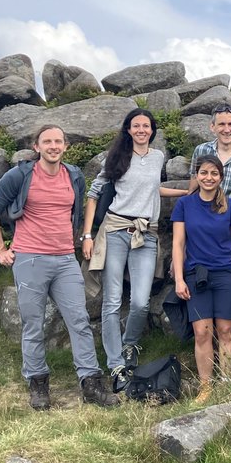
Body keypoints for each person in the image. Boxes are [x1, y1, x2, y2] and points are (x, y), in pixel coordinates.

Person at [0, 125, 119, 410]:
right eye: (47, 141)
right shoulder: (19, 175)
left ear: (65, 146)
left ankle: (91, 383)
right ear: (36, 146)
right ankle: (38, 384)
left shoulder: (74, 175)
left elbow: (76, 212)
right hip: (30, 259)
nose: (53, 146)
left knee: (79, 321)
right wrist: (0, 251)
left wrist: (81, 239)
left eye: (58, 141)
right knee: (33, 325)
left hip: (65, 259)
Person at [81, 108, 185, 391]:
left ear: (152, 130)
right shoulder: (116, 158)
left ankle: (130, 346)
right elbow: (93, 195)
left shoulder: (158, 157)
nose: (141, 130)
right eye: (136, 125)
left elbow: (152, 189)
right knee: (112, 301)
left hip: (146, 235)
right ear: (128, 129)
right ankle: (115, 364)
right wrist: (87, 235)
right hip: (116, 231)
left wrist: (186, 192)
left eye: (146, 126)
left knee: (140, 301)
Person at [172, 155, 231, 404]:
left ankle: (227, 383)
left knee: (225, 331)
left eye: (214, 173)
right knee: (202, 332)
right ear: (197, 175)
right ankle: (205, 386)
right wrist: (179, 279)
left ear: (221, 177)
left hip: (227, 274)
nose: (208, 178)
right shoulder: (185, 204)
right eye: (204, 173)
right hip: (197, 275)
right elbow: (178, 242)